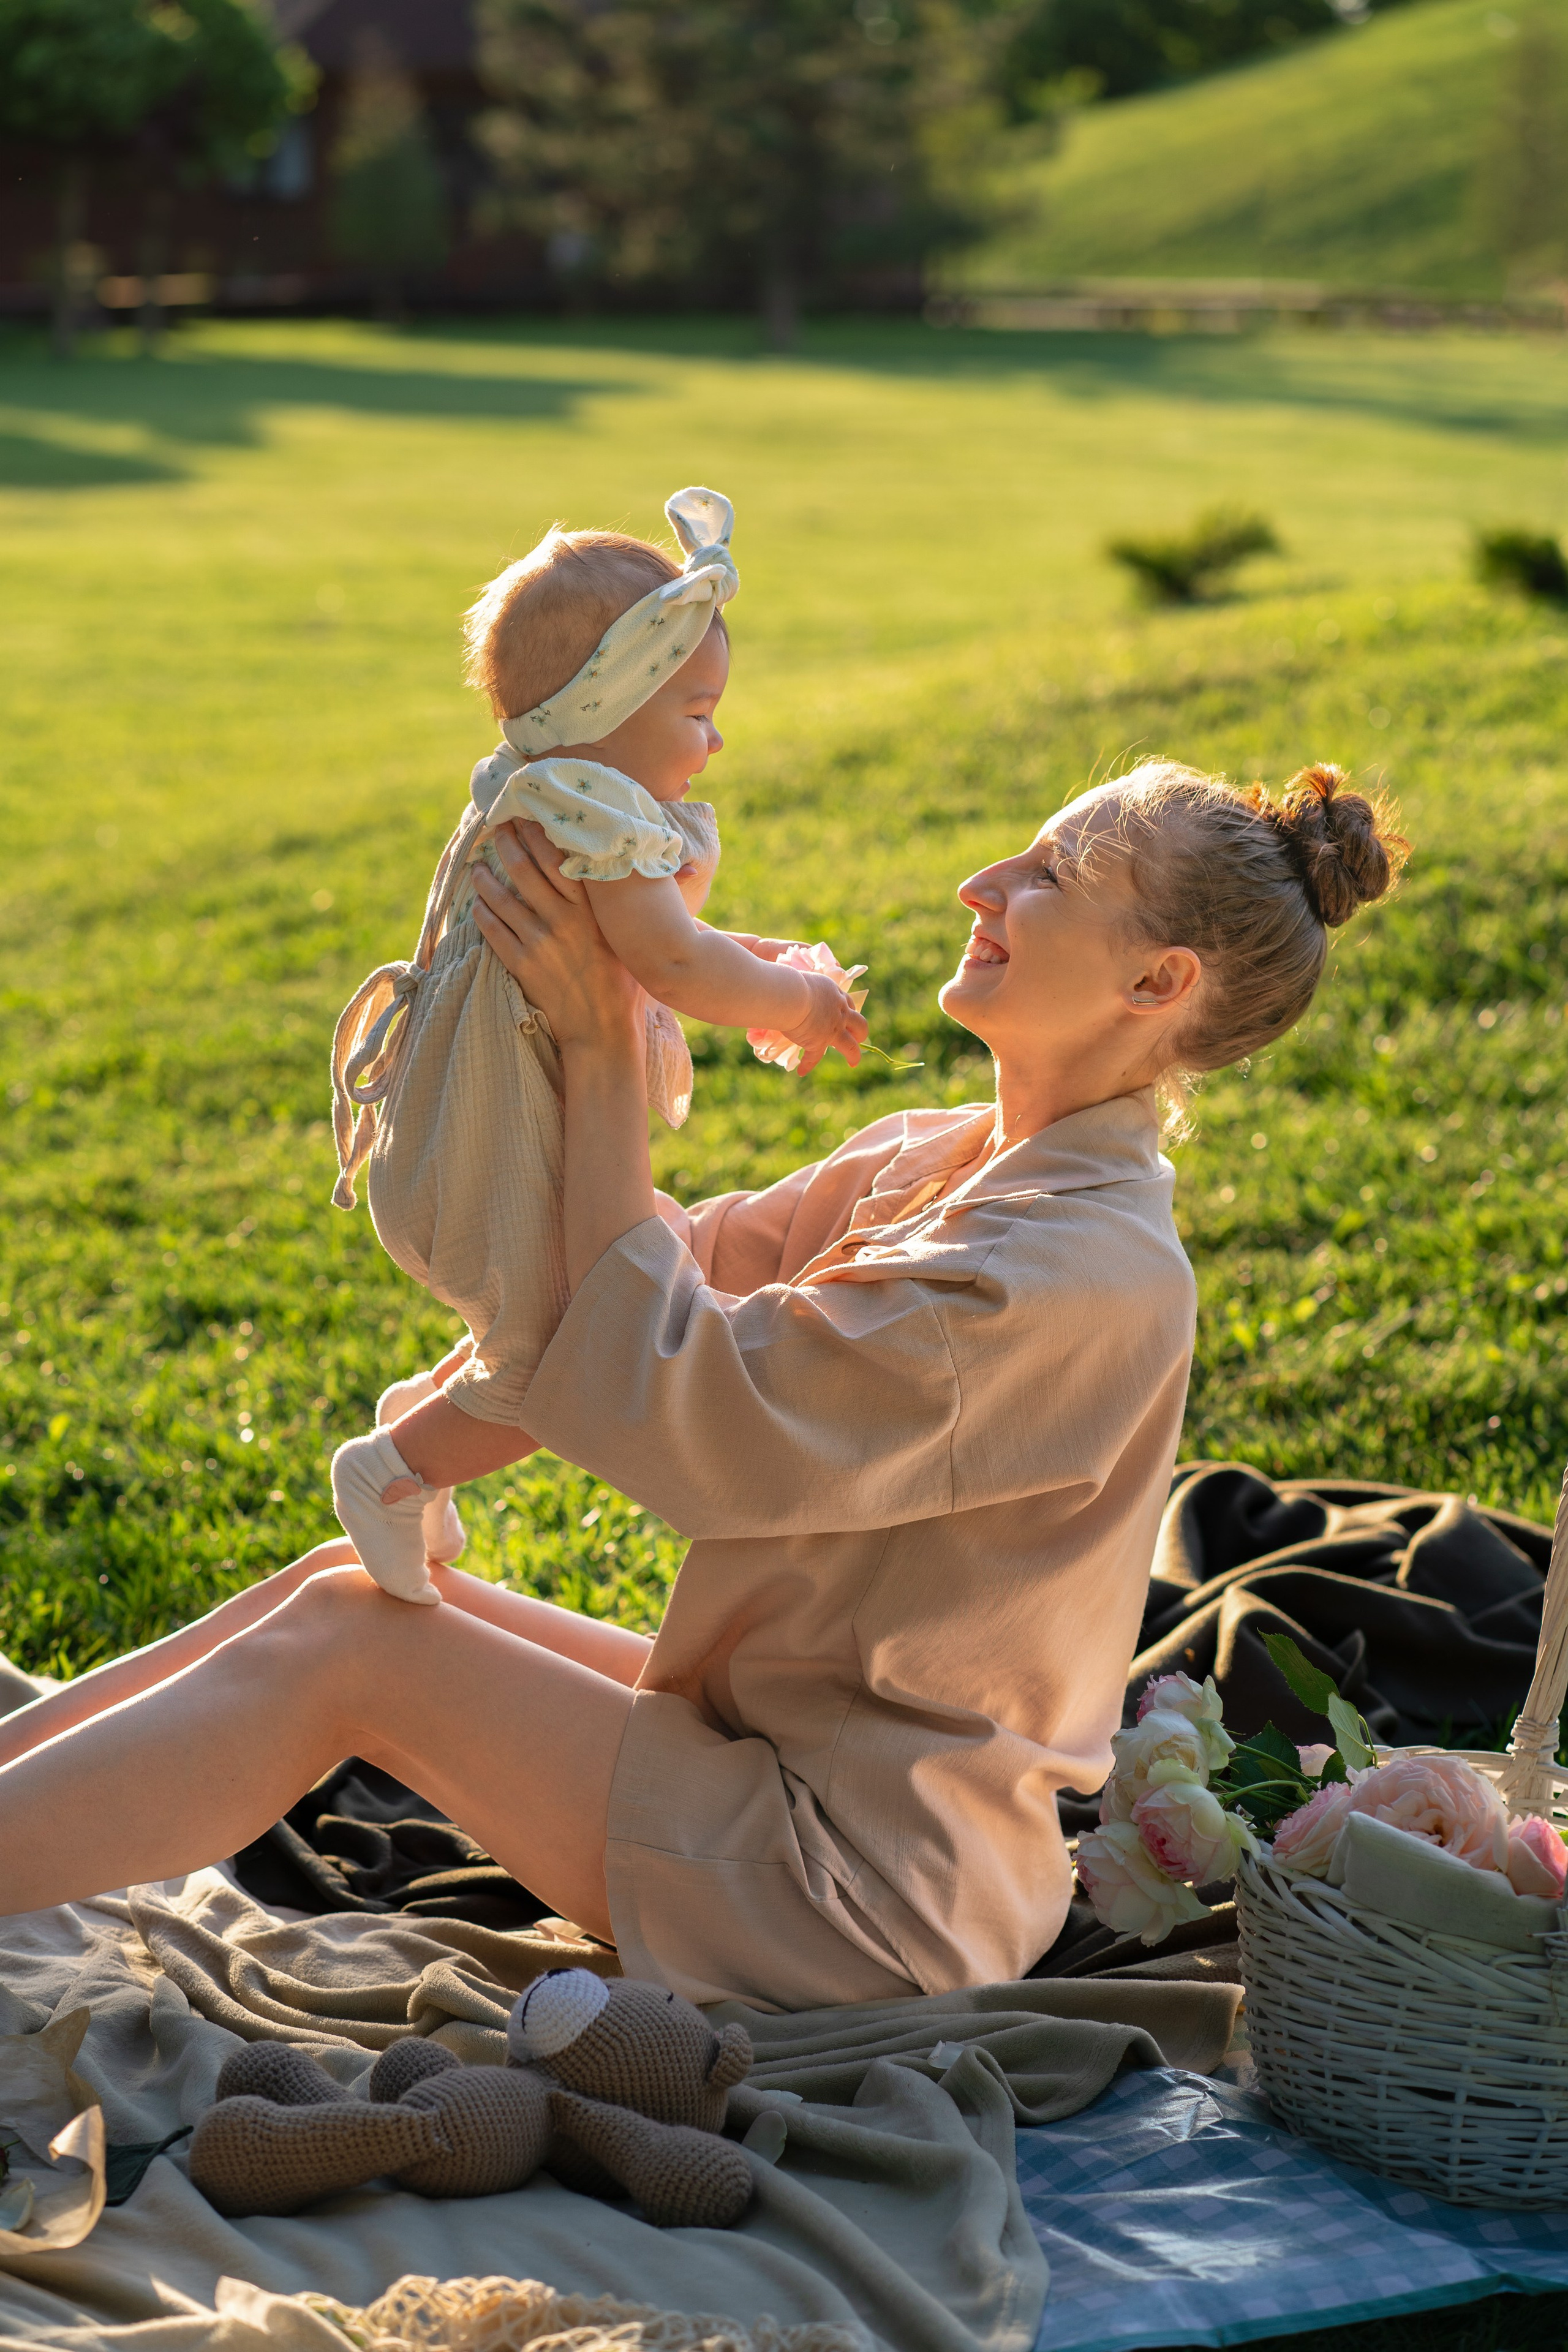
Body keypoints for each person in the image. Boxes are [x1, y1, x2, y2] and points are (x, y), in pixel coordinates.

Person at [0, 760, 1404, 2013]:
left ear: (1155, 984)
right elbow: (656, 1259)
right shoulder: (942, 1157)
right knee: (340, 1594)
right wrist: (552, 1028)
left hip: (858, 1891)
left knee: (357, 1655)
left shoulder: (1070, 1274)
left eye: (1049, 877)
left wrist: (608, 1036)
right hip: (768, 1758)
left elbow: (683, 1402)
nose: (982, 883)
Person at [328, 486, 866, 1604]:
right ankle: (388, 1474)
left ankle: (418, 1427)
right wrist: (801, 1007)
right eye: (697, 711)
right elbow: (670, 966)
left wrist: (770, 970)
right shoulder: (591, 807)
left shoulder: (564, 792)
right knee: (562, 1362)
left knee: (582, 1300)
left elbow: (657, 945)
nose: (716, 738)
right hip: (491, 1140)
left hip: (495, 1121)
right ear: (603, 706)